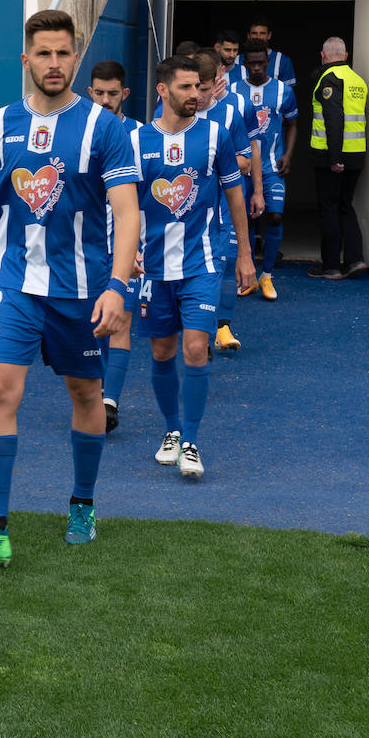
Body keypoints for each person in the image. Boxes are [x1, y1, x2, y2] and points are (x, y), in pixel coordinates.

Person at [0, 9, 139, 565]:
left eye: (63, 53)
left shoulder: (105, 128)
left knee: (85, 396)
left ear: (75, 56)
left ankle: (82, 503)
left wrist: (118, 287)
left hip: (82, 290)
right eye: (43, 53)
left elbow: (127, 215)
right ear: (25, 59)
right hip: (15, 285)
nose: (54, 63)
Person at [133, 55, 254, 477]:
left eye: (198, 87)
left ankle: (191, 441)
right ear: (162, 91)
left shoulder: (215, 135)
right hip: (152, 268)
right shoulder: (137, 141)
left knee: (196, 348)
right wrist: (124, 252)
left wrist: (244, 254)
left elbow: (235, 195)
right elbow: (123, 204)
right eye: (184, 87)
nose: (195, 95)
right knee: (162, 351)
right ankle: (171, 430)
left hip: (202, 263)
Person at [190, 50, 262, 350]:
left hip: (225, 203)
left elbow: (247, 157)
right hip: (188, 206)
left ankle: (222, 329)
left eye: (204, 89)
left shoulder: (235, 108)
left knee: (230, 261)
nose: (198, 95)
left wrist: (256, 189)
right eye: (193, 87)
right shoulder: (173, 107)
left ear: (217, 81)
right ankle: (196, 328)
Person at [87, 59, 142, 434]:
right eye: (99, 93)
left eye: (113, 94)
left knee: (119, 317)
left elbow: (146, 199)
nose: (106, 100)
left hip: (126, 247)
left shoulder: (140, 135)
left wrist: (140, 245)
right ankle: (94, 392)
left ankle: (109, 402)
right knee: (92, 325)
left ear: (124, 93)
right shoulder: (78, 130)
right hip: (85, 248)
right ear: (90, 92)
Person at [232, 38, 297, 301]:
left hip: (271, 167)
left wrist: (289, 154)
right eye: (252, 63)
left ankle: (266, 275)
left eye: (261, 63)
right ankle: (244, 276)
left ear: (268, 63)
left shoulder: (283, 91)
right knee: (243, 221)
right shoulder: (234, 90)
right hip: (241, 168)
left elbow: (292, 123)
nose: (257, 67)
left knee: (275, 217)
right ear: (245, 64)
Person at [306, 37, 369, 280]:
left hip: (331, 157)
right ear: (346, 55)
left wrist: (334, 158)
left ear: (322, 55)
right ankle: (354, 260)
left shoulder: (328, 79)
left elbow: (334, 119)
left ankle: (331, 266)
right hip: (356, 154)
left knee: (329, 208)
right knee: (345, 206)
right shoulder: (357, 80)